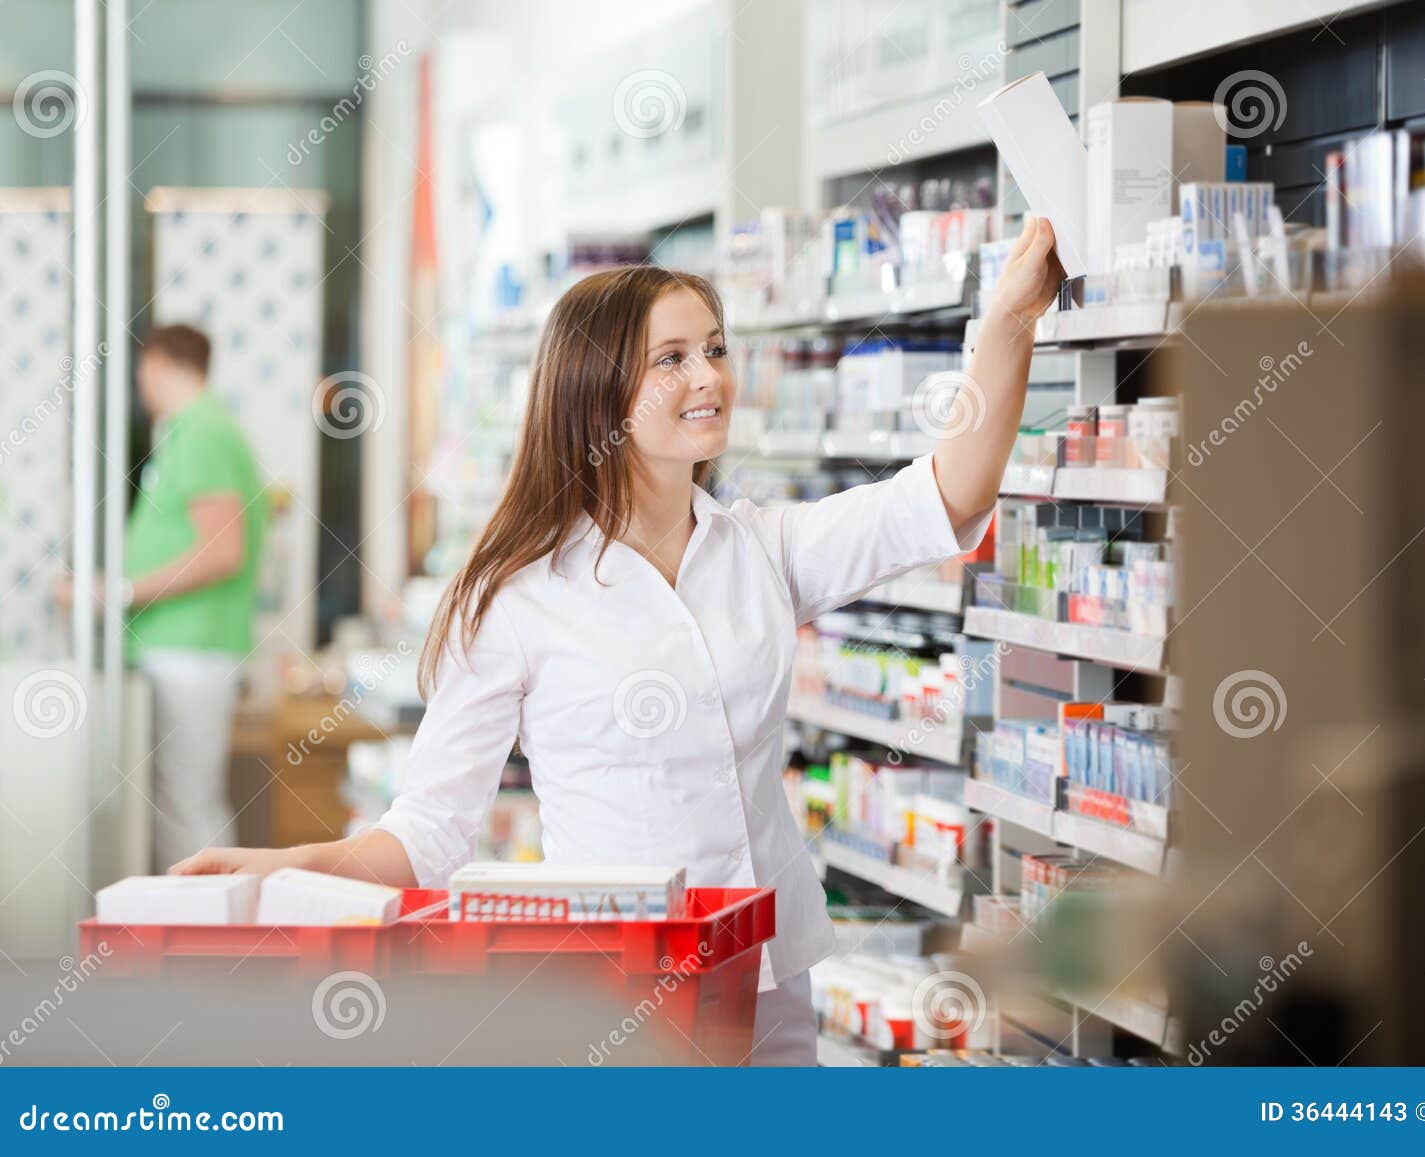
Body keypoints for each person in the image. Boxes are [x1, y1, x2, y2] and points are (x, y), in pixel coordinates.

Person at [172, 218, 1065, 1065]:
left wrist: (1011, 316)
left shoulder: (763, 547)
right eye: (670, 359)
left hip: (769, 969)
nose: (708, 376)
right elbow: (429, 830)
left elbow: (950, 489)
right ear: (597, 394)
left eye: (714, 348)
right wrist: (286, 865)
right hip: (619, 985)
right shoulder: (518, 598)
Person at [67, 324, 266, 871]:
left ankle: (212, 921)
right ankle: (198, 918)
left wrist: (121, 592)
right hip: (180, 647)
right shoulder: (189, 432)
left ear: (155, 364)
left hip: (192, 649)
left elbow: (222, 550)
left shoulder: (203, 431)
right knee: (179, 802)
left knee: (187, 803)